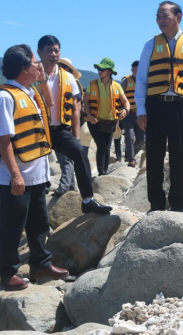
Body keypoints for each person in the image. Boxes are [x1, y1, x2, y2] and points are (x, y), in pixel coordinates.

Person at [0, 44, 68, 290]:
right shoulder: (4, 97)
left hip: (36, 174)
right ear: (23, 68)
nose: (39, 66)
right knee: (12, 225)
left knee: (39, 223)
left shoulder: (30, 93)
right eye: (35, 63)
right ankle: (8, 273)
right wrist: (15, 175)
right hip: (17, 177)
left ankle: (41, 263)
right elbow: (4, 139)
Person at [135, 1, 183, 212]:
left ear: (179, 17)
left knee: (179, 157)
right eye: (158, 16)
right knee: (155, 157)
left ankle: (177, 204)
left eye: (164, 16)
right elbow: (141, 80)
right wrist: (141, 110)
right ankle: (156, 204)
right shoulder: (150, 45)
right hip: (156, 106)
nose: (160, 20)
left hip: (181, 106)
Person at [37, 35, 112, 214]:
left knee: (79, 152)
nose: (54, 54)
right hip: (37, 130)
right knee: (36, 165)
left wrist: (76, 135)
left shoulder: (68, 78)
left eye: (56, 50)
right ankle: (35, 203)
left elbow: (76, 110)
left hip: (59, 129)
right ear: (39, 52)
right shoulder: (30, 74)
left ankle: (87, 199)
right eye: (49, 51)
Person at [84, 58, 129, 176]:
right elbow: (86, 102)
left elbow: (126, 102)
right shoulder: (92, 84)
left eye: (102, 69)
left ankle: (104, 171)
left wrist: (126, 110)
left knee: (108, 147)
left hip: (109, 122)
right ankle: (101, 172)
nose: (99, 71)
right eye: (98, 69)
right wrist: (89, 115)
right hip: (94, 121)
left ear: (109, 71)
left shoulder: (117, 86)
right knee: (102, 145)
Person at [54, 58, 83, 197]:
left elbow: (77, 106)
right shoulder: (54, 82)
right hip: (57, 126)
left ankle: (64, 187)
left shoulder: (72, 82)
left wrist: (75, 129)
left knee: (66, 159)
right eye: (59, 65)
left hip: (68, 125)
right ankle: (71, 187)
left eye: (63, 66)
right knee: (62, 158)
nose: (60, 68)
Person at [121, 61, 145, 168]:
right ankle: (131, 159)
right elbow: (118, 96)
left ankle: (129, 154)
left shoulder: (144, 82)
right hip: (128, 114)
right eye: (135, 70)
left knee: (141, 139)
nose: (137, 72)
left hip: (140, 114)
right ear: (132, 70)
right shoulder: (126, 81)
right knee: (129, 135)